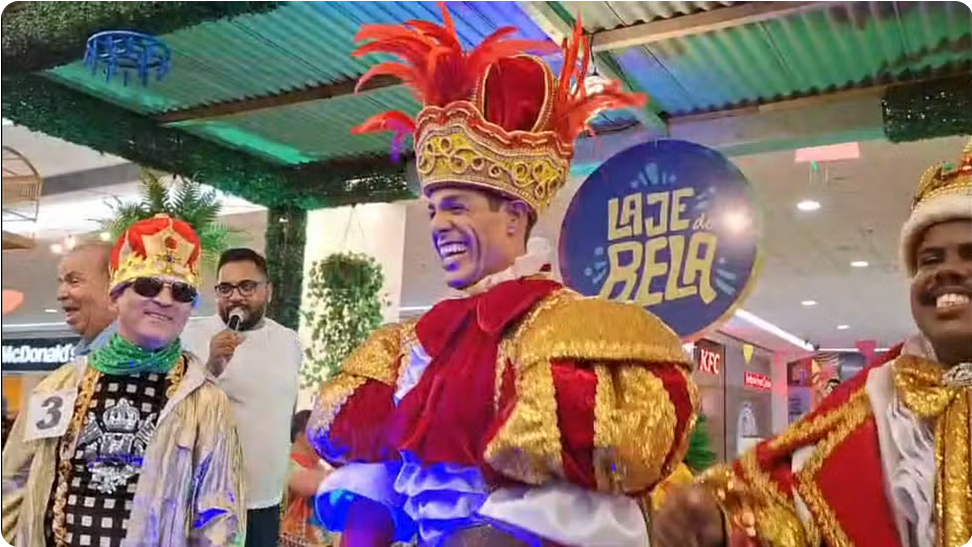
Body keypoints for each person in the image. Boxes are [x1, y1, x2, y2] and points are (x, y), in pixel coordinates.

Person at [306, 6, 704, 546]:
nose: (439, 225)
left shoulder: (572, 333)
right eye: (433, 210)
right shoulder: (410, 347)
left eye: (457, 207)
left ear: (514, 217)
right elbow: (370, 496)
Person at [651, 141, 972, 547]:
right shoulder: (870, 400)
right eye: (930, 259)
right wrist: (719, 522)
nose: (947, 271)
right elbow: (777, 501)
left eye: (969, 254)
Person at [2, 214, 246, 547]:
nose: (164, 299)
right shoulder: (58, 388)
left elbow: (220, 521)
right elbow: (12, 486)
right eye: (147, 286)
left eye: (181, 291)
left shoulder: (205, 401)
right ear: (114, 296)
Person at [181, 247, 301, 547]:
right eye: (226, 288)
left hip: (267, 501)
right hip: (210, 503)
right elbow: (179, 409)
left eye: (247, 286)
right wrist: (212, 366)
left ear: (268, 291)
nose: (235, 297)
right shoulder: (192, 335)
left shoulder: (288, 341)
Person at [281, 410, 335, 547]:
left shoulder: (319, 467)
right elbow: (307, 484)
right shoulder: (287, 463)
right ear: (302, 436)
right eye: (319, 432)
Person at [56, 241, 118, 356]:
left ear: (115, 286)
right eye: (61, 282)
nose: (61, 294)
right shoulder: (86, 354)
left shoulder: (140, 355)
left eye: (74, 281)